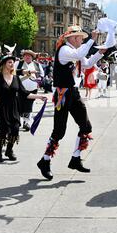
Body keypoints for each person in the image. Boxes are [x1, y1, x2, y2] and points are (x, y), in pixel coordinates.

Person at [37, 26, 106, 181]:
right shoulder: (64, 50)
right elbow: (80, 53)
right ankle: (45, 161)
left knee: (86, 126)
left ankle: (75, 158)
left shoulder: (75, 52)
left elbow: (87, 63)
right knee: (59, 131)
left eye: (82, 38)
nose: (81, 40)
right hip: (63, 94)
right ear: (73, 38)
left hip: (73, 92)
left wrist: (99, 53)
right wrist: (92, 40)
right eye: (80, 38)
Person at [0, 54, 47, 163]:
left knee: (15, 129)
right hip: (3, 106)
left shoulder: (15, 77)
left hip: (14, 106)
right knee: (4, 130)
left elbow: (25, 93)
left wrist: (39, 96)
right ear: (4, 64)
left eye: (12, 62)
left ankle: (9, 150)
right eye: (9, 62)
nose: (12, 64)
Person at [16, 50, 45, 131]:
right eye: (25, 55)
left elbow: (42, 74)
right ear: (23, 56)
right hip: (20, 89)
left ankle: (26, 123)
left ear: (32, 57)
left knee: (29, 106)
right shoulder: (18, 63)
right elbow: (13, 72)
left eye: (29, 56)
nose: (27, 57)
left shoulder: (37, 64)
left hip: (33, 89)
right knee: (20, 105)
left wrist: (39, 79)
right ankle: (20, 120)